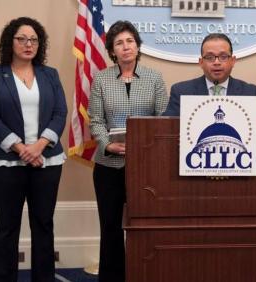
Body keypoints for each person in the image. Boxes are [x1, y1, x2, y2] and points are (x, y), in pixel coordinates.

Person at [0, 17, 67, 281]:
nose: (29, 44)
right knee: (6, 227)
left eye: (34, 40)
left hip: (46, 161)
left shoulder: (50, 75)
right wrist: (21, 149)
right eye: (22, 39)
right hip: (4, 164)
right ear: (10, 41)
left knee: (43, 225)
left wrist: (38, 147)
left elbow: (60, 113)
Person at [88, 20, 169, 282]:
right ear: (112, 50)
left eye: (130, 41)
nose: (126, 47)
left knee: (144, 226)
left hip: (146, 167)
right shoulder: (101, 79)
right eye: (120, 43)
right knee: (110, 227)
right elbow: (96, 120)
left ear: (137, 45)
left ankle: (143, 274)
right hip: (109, 166)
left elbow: (163, 119)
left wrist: (148, 147)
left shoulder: (154, 78)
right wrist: (107, 144)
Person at [162, 33, 256, 116]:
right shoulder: (181, 92)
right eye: (210, 57)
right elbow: (169, 128)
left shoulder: (251, 93)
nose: (216, 62)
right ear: (201, 62)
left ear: (233, 61)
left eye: (223, 57)